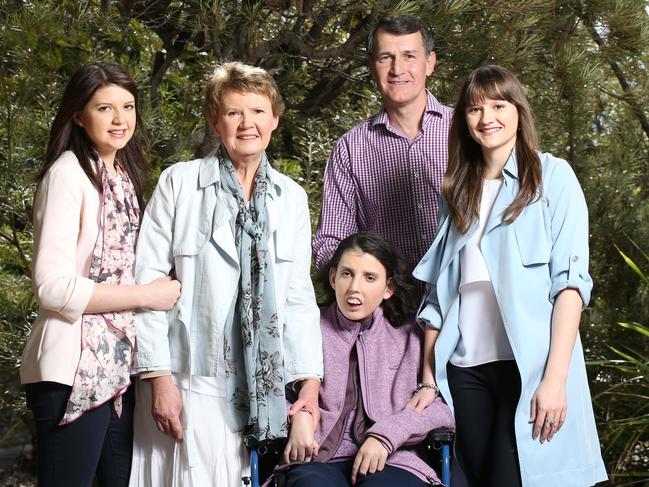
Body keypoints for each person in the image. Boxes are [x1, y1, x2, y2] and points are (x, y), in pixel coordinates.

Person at [410, 65, 607, 486]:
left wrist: (555, 380)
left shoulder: (554, 177)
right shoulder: (457, 191)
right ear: (463, 120)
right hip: (465, 372)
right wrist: (428, 379)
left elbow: (570, 286)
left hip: (531, 370)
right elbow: (438, 296)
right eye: (475, 109)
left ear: (518, 111)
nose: (487, 119)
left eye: (498, 105)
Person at [129, 61, 324, 487]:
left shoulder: (290, 198)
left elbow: (298, 297)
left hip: (259, 385)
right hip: (188, 373)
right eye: (234, 113)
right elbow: (145, 286)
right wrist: (158, 378)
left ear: (275, 118)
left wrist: (309, 385)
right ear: (216, 123)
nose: (247, 123)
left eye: (257, 111)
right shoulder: (179, 183)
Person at [20, 61, 181, 487]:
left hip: (116, 371)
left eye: (127, 107)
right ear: (78, 114)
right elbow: (52, 287)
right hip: (71, 369)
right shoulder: (67, 176)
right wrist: (146, 295)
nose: (119, 120)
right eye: (104, 108)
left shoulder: (123, 178)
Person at [279, 232, 454, 487]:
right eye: (347, 273)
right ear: (333, 277)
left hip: (394, 459)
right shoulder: (305, 329)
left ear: (388, 288)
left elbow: (440, 409)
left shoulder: (410, 337)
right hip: (317, 459)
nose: (354, 287)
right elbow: (270, 394)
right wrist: (298, 415)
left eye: (369, 278)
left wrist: (387, 435)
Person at [312, 15, 451, 275]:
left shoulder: (466, 131)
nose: (397, 69)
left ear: (429, 63)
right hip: (387, 308)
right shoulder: (351, 149)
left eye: (409, 56)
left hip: (464, 304)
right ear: (371, 66)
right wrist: (358, 293)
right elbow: (331, 241)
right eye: (385, 57)